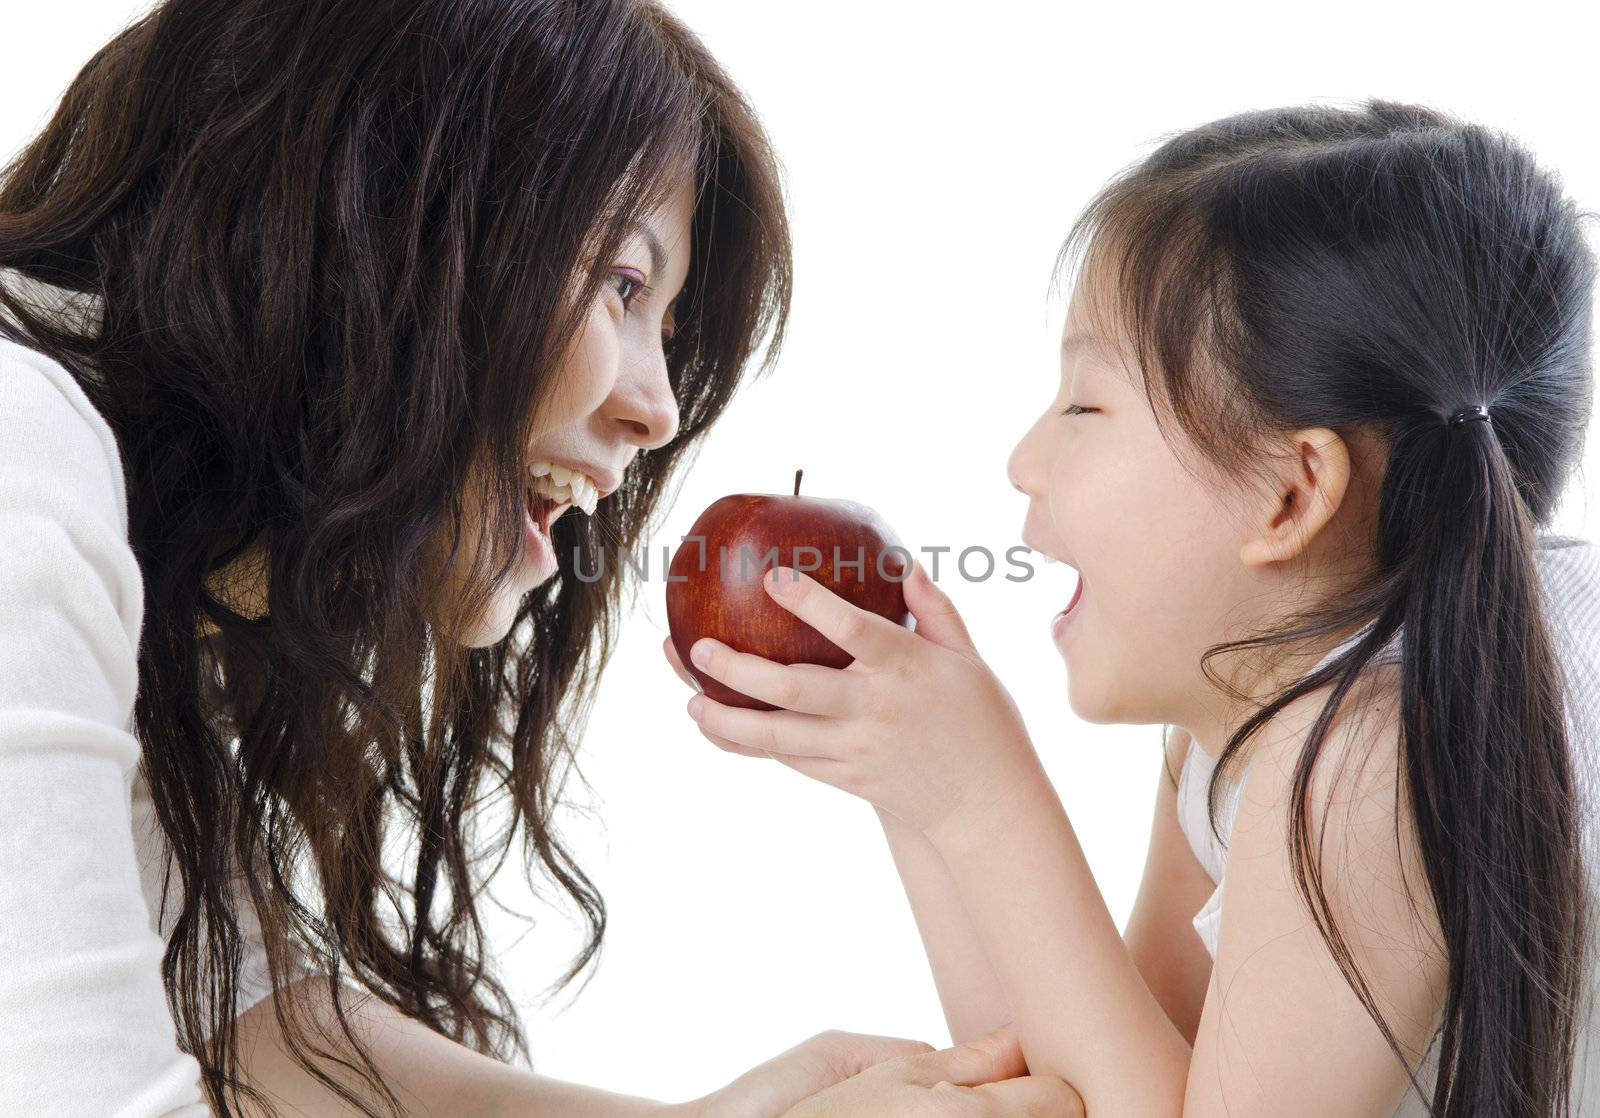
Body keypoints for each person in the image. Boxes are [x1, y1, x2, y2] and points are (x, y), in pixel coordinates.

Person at [0, 2, 1082, 1115]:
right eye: (624, 283)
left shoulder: (133, 541)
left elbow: (241, 1016)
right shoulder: (20, 451)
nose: (659, 411)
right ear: (377, 219)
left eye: (665, 327)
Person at [669, 98, 1600, 1115]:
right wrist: (919, 794)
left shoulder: (1366, 752)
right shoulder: (1247, 705)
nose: (1023, 458)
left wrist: (987, 798)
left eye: (1084, 405)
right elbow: (1076, 1084)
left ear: (1290, 495)